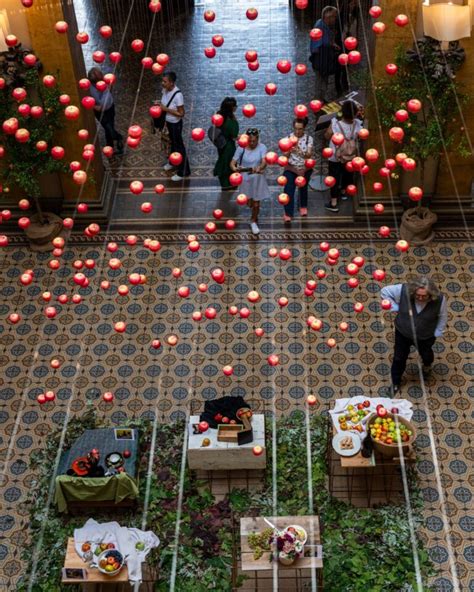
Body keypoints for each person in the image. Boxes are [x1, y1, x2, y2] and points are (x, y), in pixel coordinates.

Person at [381, 277, 447, 394]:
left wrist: (438, 331)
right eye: (418, 295)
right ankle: (395, 382)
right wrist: (395, 307)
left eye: (424, 296)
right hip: (403, 333)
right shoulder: (403, 289)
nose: (420, 298)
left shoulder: (440, 300)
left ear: (430, 294)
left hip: (425, 336)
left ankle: (427, 365)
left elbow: (442, 316)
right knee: (398, 358)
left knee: (426, 354)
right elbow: (384, 292)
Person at [323, 99, 363, 212]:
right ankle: (344, 192)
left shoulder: (336, 124)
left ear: (342, 112)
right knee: (347, 174)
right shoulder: (358, 125)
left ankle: (334, 202)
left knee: (334, 178)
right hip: (350, 155)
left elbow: (327, 136)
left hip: (335, 156)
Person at [230, 128, 270, 236]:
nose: (252, 143)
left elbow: (264, 162)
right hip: (245, 179)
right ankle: (252, 207)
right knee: (249, 202)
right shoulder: (241, 148)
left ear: (258, 139)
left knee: (256, 203)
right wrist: (235, 168)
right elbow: (232, 163)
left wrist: (259, 167)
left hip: (257, 179)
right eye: (250, 141)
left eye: (254, 141)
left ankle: (253, 220)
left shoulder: (262, 147)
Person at [159, 71, 191, 182]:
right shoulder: (165, 90)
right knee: (172, 143)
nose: (162, 83)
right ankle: (173, 162)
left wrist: (165, 109)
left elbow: (181, 113)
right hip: (168, 123)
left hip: (175, 124)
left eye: (165, 81)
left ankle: (184, 171)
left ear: (172, 83)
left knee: (179, 147)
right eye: (162, 81)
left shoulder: (178, 96)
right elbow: (165, 103)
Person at [282, 118, 314, 222]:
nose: (297, 131)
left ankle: (303, 205)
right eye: (295, 128)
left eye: (300, 129)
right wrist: (289, 150)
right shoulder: (288, 138)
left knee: (303, 188)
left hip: (304, 168)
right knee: (289, 190)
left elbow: (308, 155)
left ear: (304, 128)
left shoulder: (309, 139)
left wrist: (299, 151)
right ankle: (288, 213)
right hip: (291, 168)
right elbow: (285, 156)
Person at [88, 67, 124, 155]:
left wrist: (95, 106)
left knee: (109, 128)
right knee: (107, 128)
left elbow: (102, 106)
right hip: (99, 113)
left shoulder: (105, 84)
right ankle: (113, 143)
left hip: (109, 109)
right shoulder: (89, 86)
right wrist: (95, 106)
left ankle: (114, 142)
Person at [309, 6, 340, 103]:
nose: (335, 19)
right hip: (321, 57)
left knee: (324, 78)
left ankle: (321, 98)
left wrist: (333, 44)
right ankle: (317, 99)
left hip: (324, 57)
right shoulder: (320, 26)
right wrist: (331, 44)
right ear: (328, 17)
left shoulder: (323, 24)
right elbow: (323, 42)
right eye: (334, 17)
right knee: (320, 79)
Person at [213, 97, 239, 190]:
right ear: (231, 108)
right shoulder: (230, 121)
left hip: (221, 144)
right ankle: (229, 183)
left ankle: (225, 183)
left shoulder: (219, 115)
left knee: (223, 159)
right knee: (229, 163)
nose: (236, 107)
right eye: (235, 105)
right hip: (229, 145)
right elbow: (234, 134)